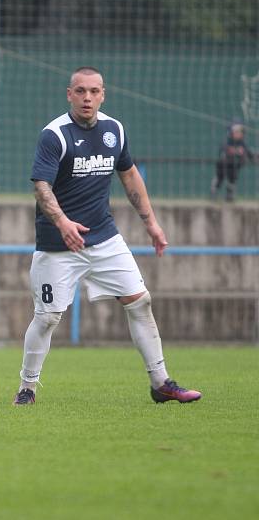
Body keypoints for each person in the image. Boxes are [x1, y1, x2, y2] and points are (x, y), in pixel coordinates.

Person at [13, 66, 201, 406]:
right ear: (69, 94)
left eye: (94, 91)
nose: (87, 98)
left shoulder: (114, 130)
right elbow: (41, 187)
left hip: (105, 238)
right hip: (58, 246)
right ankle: (27, 388)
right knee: (48, 318)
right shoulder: (54, 135)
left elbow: (129, 177)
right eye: (81, 91)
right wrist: (63, 223)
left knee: (140, 302)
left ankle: (161, 383)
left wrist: (152, 224)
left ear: (103, 94)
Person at [210, 121, 254, 202]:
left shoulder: (243, 144)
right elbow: (222, 151)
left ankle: (229, 196)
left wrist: (253, 157)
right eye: (237, 132)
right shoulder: (227, 142)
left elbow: (250, 154)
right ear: (230, 133)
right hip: (223, 165)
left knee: (232, 180)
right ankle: (214, 193)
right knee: (219, 178)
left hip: (235, 166)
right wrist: (234, 151)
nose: (240, 134)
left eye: (241, 132)